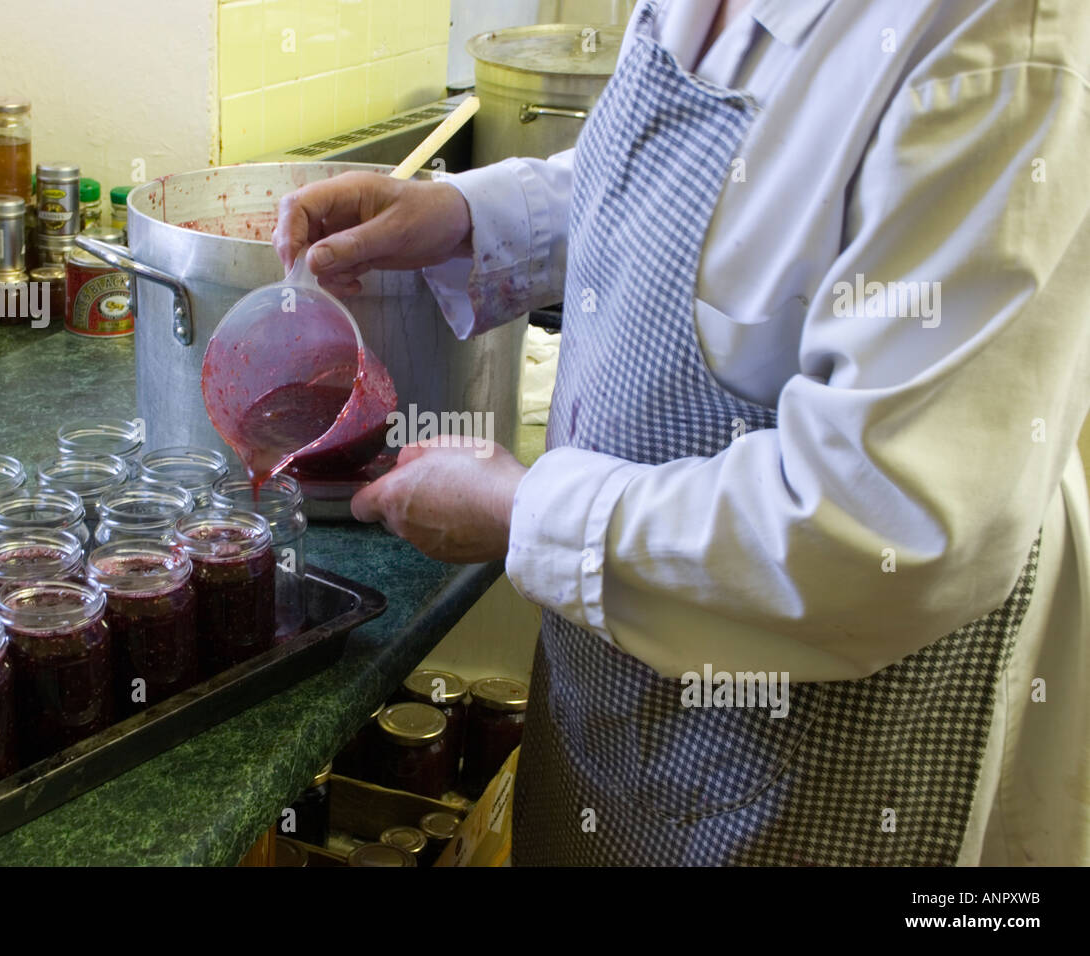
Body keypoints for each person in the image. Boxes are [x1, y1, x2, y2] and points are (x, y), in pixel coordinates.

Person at [271, 0, 1090, 865]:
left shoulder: (994, 41)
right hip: (618, 698)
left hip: (816, 758)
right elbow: (681, 184)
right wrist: (465, 217)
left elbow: (882, 527)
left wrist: (526, 513)